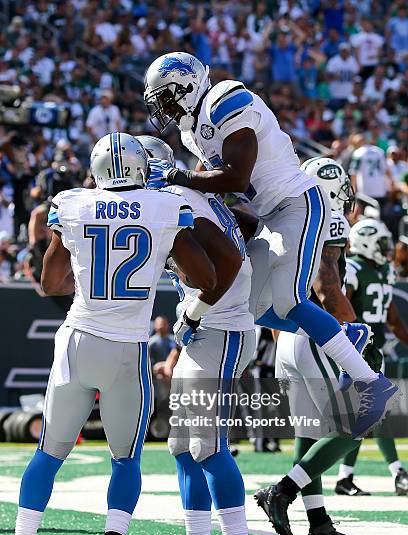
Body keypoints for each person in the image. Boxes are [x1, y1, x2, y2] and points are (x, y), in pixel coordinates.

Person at [3, 133, 222, 535]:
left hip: (78, 340)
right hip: (127, 349)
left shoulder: (73, 203)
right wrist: (160, 259)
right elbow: (205, 277)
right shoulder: (164, 207)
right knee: (125, 458)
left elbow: (51, 282)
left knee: (48, 452)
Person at [143, 51, 398, 439]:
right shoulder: (191, 131)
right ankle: (346, 337)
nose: (163, 107)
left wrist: (180, 178)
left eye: (166, 96)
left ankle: (371, 383)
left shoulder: (225, 98)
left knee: (289, 299)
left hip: (297, 204)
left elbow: (235, 178)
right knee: (247, 304)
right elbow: (230, 188)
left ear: (189, 87)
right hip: (269, 215)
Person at [137, 136, 263, 535]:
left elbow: (230, 258)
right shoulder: (185, 196)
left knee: (207, 445)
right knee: (183, 446)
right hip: (210, 329)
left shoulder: (175, 196)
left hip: (222, 328)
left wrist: (197, 309)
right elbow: (244, 230)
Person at [252, 157, 362, 535]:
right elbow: (326, 283)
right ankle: (282, 490)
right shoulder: (327, 215)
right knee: (360, 420)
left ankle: (319, 523)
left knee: (309, 430)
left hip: (288, 336)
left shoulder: (284, 216)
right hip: (317, 331)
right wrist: (349, 335)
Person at [334, 219, 408, 497]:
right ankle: (398, 472)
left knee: (367, 414)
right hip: (355, 349)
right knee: (375, 410)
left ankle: (345, 477)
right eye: (382, 243)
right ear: (365, 241)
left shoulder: (384, 271)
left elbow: (393, 320)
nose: (387, 249)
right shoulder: (352, 270)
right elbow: (341, 310)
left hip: (373, 351)